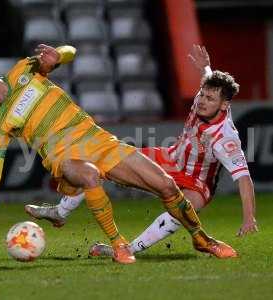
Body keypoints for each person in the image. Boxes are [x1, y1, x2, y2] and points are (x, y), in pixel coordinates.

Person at [0, 43, 236, 264]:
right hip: (61, 155)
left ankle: (202, 239)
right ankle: (118, 245)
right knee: (89, 176)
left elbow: (67, 52)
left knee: (166, 186)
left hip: (97, 140)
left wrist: (58, 56)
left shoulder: (23, 70)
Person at [25, 45, 257, 257]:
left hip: (198, 180)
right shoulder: (205, 95)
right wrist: (205, 66)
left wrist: (249, 217)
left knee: (183, 210)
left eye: (210, 99)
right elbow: (208, 79)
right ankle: (61, 212)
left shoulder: (226, 138)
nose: (203, 101)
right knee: (106, 160)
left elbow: (244, 178)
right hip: (170, 157)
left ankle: (129, 249)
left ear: (224, 106)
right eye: (203, 95)